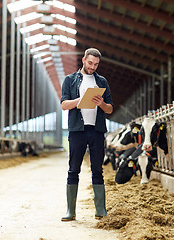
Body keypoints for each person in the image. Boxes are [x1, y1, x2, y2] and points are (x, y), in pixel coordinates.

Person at [60, 48, 113, 221]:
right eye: (90, 63)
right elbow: (64, 105)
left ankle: (100, 210)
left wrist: (102, 103)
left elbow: (110, 109)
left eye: (96, 64)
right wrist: (80, 101)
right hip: (77, 131)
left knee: (97, 169)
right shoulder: (70, 80)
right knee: (73, 169)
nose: (92, 67)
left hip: (96, 131)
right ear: (83, 60)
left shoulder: (102, 81)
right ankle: (70, 211)